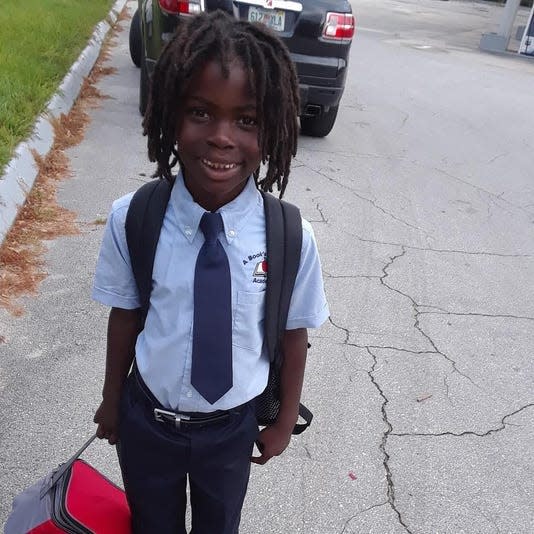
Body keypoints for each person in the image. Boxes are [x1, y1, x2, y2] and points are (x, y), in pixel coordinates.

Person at [92, 10, 329, 534]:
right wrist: (112, 400)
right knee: (151, 525)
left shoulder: (290, 237)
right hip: (147, 421)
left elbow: (294, 335)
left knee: (220, 525)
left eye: (246, 121)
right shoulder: (134, 217)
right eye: (200, 112)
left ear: (270, 130)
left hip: (231, 428)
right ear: (170, 115)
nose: (222, 138)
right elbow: (126, 317)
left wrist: (285, 420)